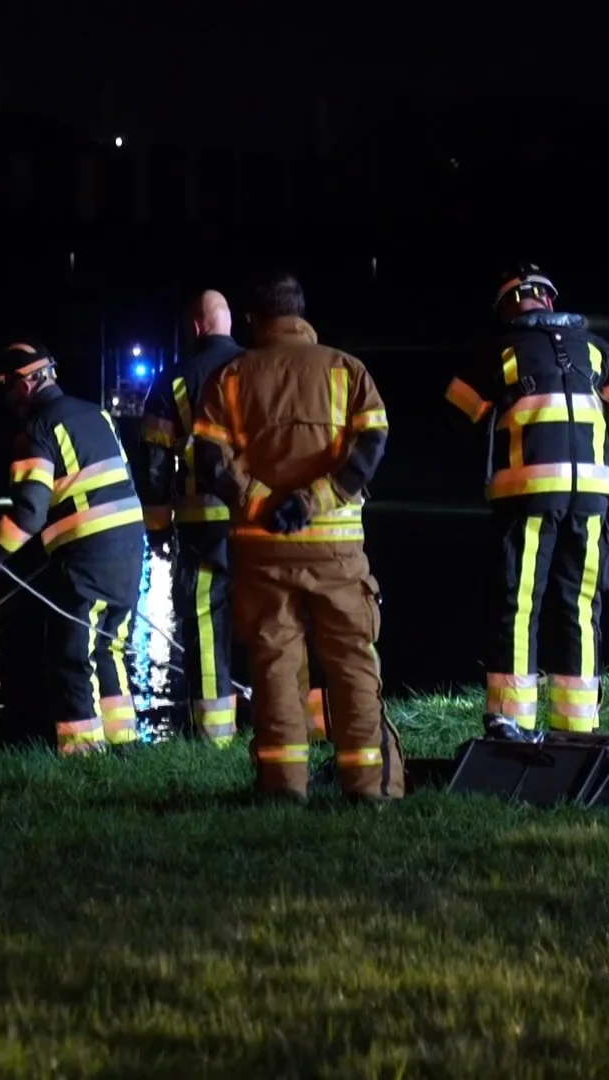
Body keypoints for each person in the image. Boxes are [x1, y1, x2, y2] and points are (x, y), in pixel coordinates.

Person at [192, 273, 405, 804]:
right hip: (337, 550)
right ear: (301, 314)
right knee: (352, 663)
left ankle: (283, 786)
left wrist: (263, 502)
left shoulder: (230, 377)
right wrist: (317, 499)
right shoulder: (346, 369)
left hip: (262, 549)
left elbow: (212, 461)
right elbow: (372, 444)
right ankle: (371, 787)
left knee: (274, 665)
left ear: (254, 320)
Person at [441, 264, 609, 739]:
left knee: (518, 607)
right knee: (580, 606)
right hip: (592, 497)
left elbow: (457, 410)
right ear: (550, 301)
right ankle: (578, 729)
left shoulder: (499, 350)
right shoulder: (596, 348)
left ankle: (511, 725)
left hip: (528, 495)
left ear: (505, 309)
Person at [0, 341, 148, 755]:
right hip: (129, 547)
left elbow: (29, 513)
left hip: (88, 556)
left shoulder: (36, 430)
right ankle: (124, 746)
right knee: (108, 646)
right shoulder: (97, 414)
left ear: (23, 384)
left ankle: (83, 755)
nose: (9, 403)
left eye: (8, 391)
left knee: (72, 654)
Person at [136, 290, 245, 746]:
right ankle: (291, 724)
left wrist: (158, 529)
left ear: (196, 327)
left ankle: (215, 736)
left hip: (202, 526)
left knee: (205, 621)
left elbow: (154, 466)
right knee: (277, 618)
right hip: (264, 518)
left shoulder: (171, 382)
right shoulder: (259, 369)